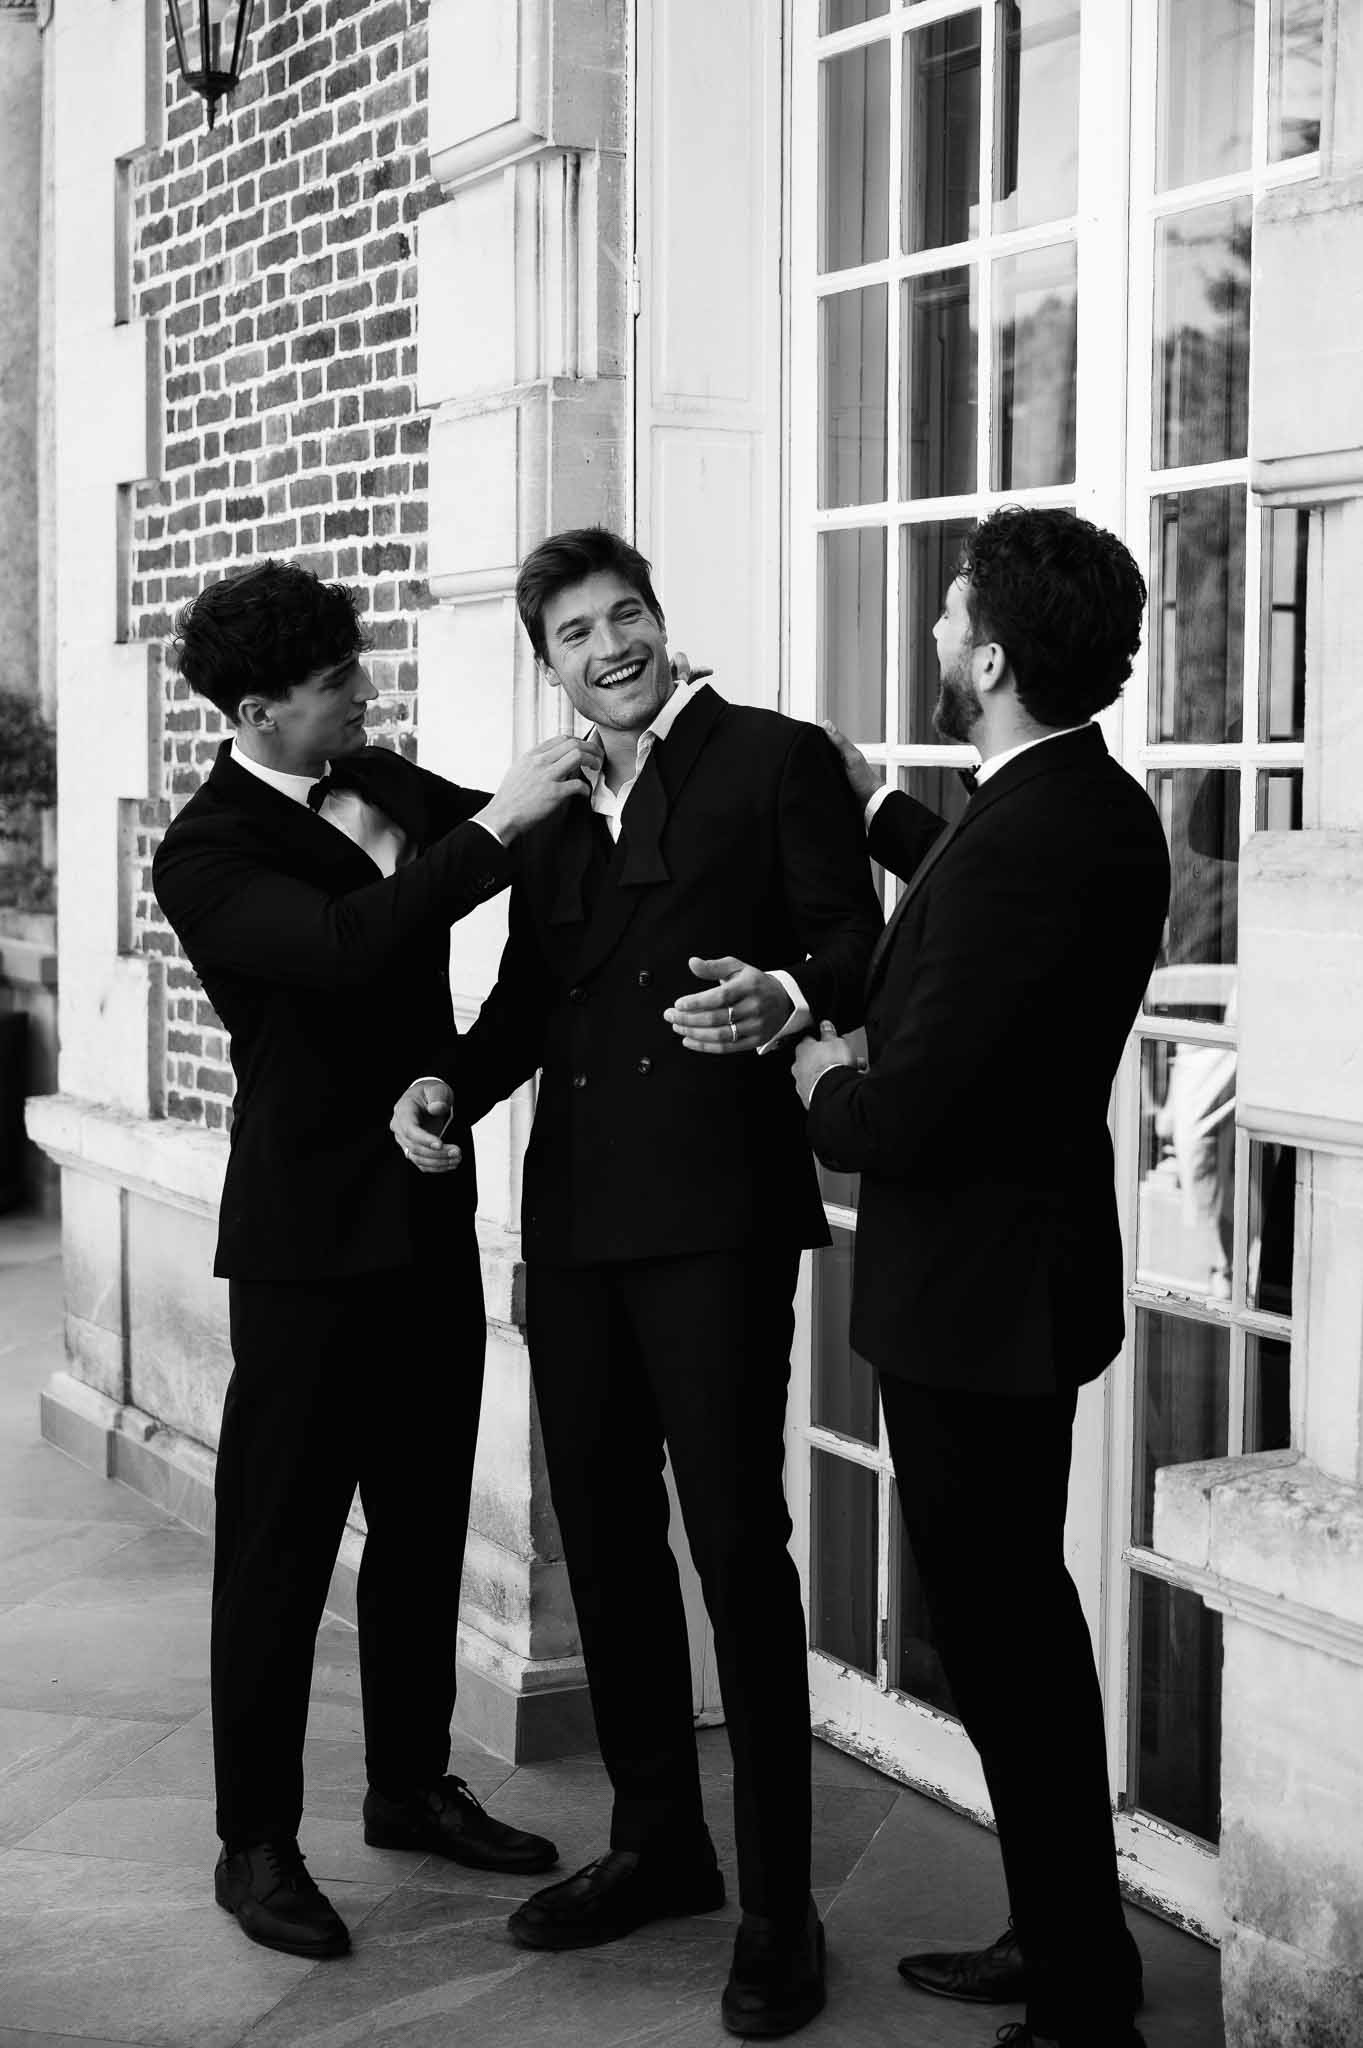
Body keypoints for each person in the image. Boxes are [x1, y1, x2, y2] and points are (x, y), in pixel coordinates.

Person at [392, 527, 882, 2038]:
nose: (614, 647)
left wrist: (794, 994)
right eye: (579, 633)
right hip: (580, 1226)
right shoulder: (541, 805)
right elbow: (532, 999)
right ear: (545, 659)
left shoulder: (774, 756)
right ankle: (658, 1844)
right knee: (602, 1543)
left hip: (721, 1221)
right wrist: (447, 1091)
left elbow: (853, 939)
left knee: (737, 1550)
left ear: (664, 621)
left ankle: (780, 1912)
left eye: (631, 616)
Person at [152, 559, 600, 1961]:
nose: (368, 690)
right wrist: (501, 835)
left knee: (419, 1524)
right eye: (342, 679)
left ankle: (409, 1787)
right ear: (260, 710)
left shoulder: (383, 776)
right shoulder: (204, 852)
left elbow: (526, 845)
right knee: (278, 1551)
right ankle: (256, 1845)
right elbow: (348, 949)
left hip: (426, 1211)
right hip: (302, 1241)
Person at [793, 506, 1171, 2048]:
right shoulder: (1082, 805)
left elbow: (914, 1104)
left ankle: (1084, 1992)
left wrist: (814, 1069)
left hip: (979, 1305)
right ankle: (1070, 1938)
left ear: (996, 656)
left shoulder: (1037, 835)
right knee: (1021, 1631)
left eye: (951, 620)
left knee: (1007, 1642)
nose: (938, 638)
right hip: (1017, 1284)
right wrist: (872, 804)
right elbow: (976, 896)